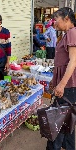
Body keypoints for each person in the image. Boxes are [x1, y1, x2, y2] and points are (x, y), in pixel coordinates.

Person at [46, 7, 76, 150]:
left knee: (57, 122)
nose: (54, 22)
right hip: (68, 86)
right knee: (67, 120)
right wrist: (54, 80)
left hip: (68, 86)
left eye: (56, 19)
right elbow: (61, 62)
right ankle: (69, 147)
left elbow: (73, 61)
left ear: (66, 19)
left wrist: (62, 84)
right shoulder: (66, 34)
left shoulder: (72, 33)